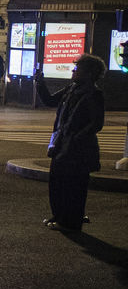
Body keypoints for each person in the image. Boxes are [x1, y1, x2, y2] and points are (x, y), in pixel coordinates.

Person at [34, 56, 106, 234]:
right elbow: (50, 101)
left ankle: (70, 222)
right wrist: (40, 83)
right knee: (57, 182)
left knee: (73, 187)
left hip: (78, 149)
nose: (73, 71)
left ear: (89, 73)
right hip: (62, 143)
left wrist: (76, 138)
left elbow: (96, 123)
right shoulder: (71, 89)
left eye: (77, 69)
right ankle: (58, 216)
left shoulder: (94, 94)